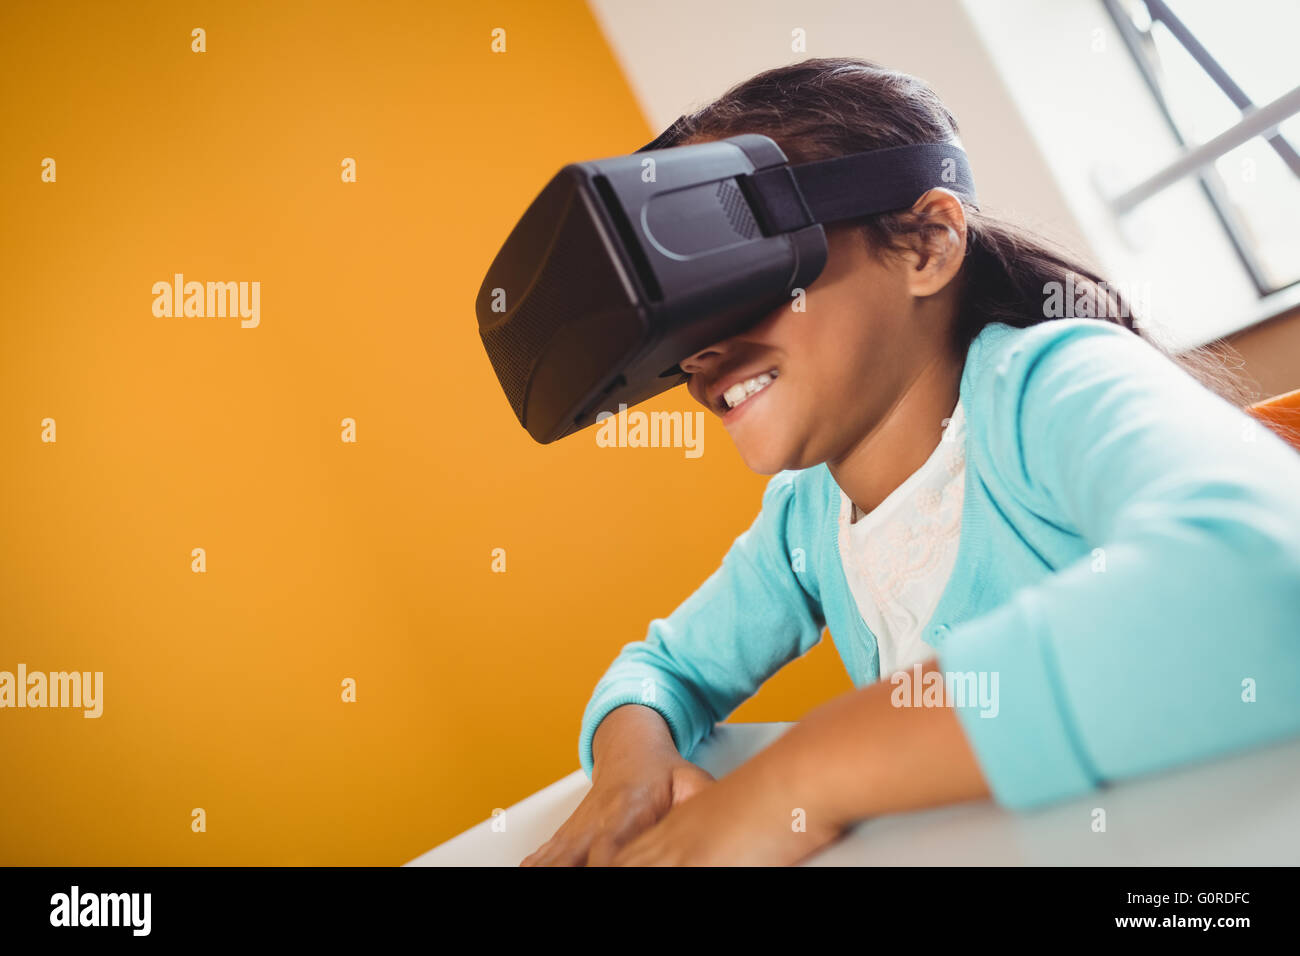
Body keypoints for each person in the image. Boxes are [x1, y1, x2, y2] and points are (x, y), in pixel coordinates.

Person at [520, 57, 1300, 866]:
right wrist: (628, 774)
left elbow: (1269, 570)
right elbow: (662, 668)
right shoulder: (806, 519)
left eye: (743, 278)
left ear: (927, 244)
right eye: (682, 320)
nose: (701, 353)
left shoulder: (1045, 388)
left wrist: (800, 777)